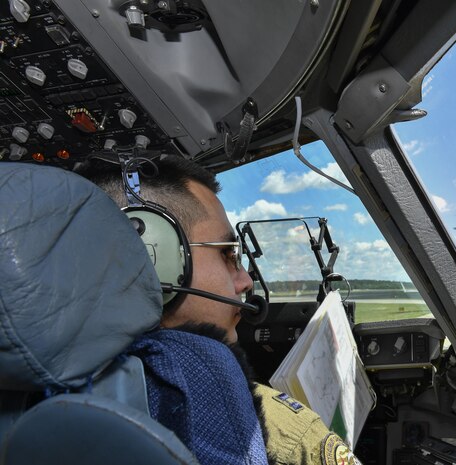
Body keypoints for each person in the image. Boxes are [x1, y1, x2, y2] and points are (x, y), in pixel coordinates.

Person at [76, 155, 361, 465]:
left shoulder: (47, 386)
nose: (246, 280)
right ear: (150, 262)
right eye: (228, 254)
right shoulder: (275, 429)